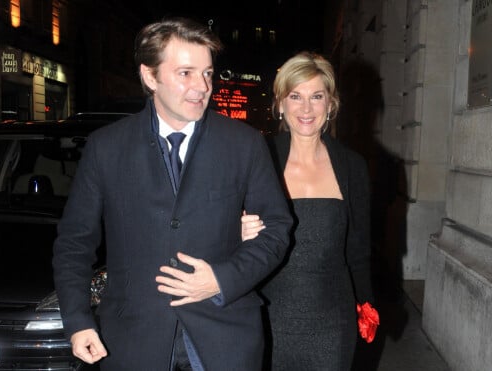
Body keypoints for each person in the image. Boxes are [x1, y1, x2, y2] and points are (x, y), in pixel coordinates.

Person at [52, 17, 292, 371]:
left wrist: (221, 279)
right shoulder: (107, 147)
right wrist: (78, 320)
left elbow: (276, 228)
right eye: (186, 73)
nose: (202, 87)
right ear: (150, 76)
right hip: (133, 339)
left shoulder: (244, 144)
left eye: (208, 73)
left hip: (225, 336)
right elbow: (75, 242)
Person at [241, 51, 374, 371]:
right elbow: (219, 232)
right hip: (266, 317)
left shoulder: (352, 166)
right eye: (295, 96)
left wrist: (367, 304)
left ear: (331, 104)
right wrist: (237, 232)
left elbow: (358, 248)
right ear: (280, 103)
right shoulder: (257, 159)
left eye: (317, 96)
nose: (306, 108)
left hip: (333, 323)